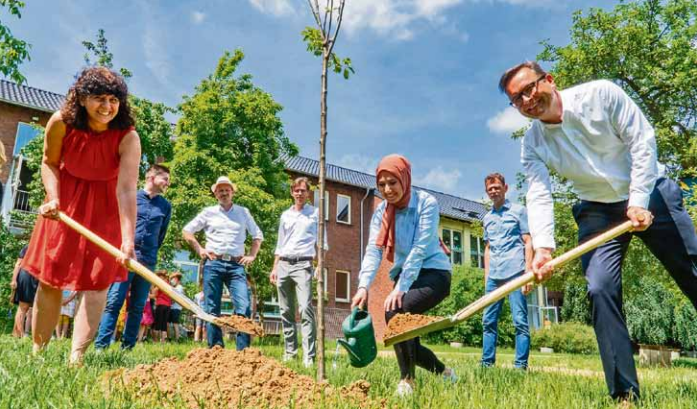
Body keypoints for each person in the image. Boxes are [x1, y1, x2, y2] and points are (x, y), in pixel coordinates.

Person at [501, 61, 697, 401]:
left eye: (529, 89)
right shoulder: (532, 142)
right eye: (516, 100)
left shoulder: (602, 94)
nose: (527, 101)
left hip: (649, 188)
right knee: (599, 287)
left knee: (692, 269)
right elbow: (538, 193)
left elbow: (642, 141)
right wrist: (544, 248)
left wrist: (638, 200)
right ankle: (624, 394)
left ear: (549, 80)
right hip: (596, 209)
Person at [20, 67, 141, 364]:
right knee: (51, 278)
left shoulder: (128, 137)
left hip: (106, 208)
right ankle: (39, 353)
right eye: (99, 98)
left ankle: (77, 358)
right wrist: (54, 197)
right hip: (65, 204)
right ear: (82, 98)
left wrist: (128, 240)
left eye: (114, 99)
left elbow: (126, 190)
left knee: (97, 282)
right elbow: (49, 162)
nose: (107, 106)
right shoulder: (61, 122)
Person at [351, 154, 455, 397]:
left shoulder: (425, 203)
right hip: (405, 276)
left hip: (434, 273)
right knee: (408, 341)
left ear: (405, 178)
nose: (387, 189)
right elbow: (373, 251)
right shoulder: (381, 213)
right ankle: (446, 373)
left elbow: (420, 248)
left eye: (393, 182)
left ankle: (407, 381)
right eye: (382, 184)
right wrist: (363, 286)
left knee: (395, 312)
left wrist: (400, 289)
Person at [95, 164, 172, 350]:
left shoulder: (165, 206)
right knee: (114, 301)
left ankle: (127, 347)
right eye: (165, 179)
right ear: (152, 178)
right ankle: (101, 346)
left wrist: (150, 252)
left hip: (148, 261)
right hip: (126, 257)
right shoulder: (132, 197)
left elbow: (161, 234)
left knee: (138, 306)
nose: (168, 184)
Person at [183, 176, 263, 350]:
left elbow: (258, 235)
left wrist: (252, 255)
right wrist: (200, 249)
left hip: (236, 266)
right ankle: (216, 348)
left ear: (232, 192)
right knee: (211, 307)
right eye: (220, 190)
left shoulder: (243, 212)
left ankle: (243, 351)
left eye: (227, 190)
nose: (224, 193)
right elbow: (187, 231)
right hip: (214, 263)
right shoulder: (208, 212)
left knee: (244, 305)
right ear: (215, 194)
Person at [270, 176, 326, 367]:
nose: (299, 193)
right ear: (292, 192)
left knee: (305, 309)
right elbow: (280, 243)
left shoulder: (315, 214)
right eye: (296, 190)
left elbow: (321, 243)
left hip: (304, 265)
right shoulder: (285, 215)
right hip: (284, 264)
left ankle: (308, 356)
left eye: (303, 190)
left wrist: (320, 265)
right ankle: (290, 352)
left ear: (308, 193)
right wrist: (275, 267)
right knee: (285, 310)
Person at [480, 173, 532, 369]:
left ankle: (520, 367)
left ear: (505, 188)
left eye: (496, 188)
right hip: (494, 276)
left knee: (520, 321)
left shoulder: (519, 211)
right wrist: (486, 278)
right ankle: (486, 364)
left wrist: (528, 274)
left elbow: (528, 242)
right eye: (490, 189)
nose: (493, 191)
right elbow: (488, 248)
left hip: (516, 273)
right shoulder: (487, 218)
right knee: (488, 321)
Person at [11, 245, 38, 338]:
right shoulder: (28, 247)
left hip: (37, 277)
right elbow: (18, 264)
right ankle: (20, 334)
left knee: (31, 307)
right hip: (26, 276)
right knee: (23, 306)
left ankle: (16, 332)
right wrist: (14, 280)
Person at [152, 270, 172, 343]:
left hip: (160, 305)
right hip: (168, 306)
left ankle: (155, 341)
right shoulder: (168, 284)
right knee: (164, 324)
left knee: (157, 324)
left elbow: (154, 293)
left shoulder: (159, 283)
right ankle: (163, 341)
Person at [168, 271, 185, 340]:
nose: (172, 280)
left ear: (177, 279)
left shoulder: (179, 287)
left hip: (176, 308)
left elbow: (176, 298)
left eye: (173, 278)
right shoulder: (175, 287)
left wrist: (170, 302)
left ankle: (177, 339)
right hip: (172, 307)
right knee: (168, 323)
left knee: (175, 323)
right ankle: (169, 337)